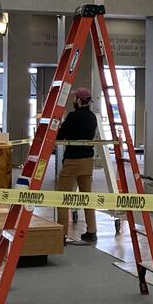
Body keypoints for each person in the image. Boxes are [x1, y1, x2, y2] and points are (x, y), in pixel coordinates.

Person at [56, 88, 98, 244]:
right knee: (87, 197)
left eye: (75, 98)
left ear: (79, 101)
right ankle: (92, 231)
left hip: (73, 161)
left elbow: (61, 135)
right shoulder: (93, 117)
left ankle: (61, 234)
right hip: (88, 161)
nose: (73, 100)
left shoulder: (73, 116)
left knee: (62, 197)